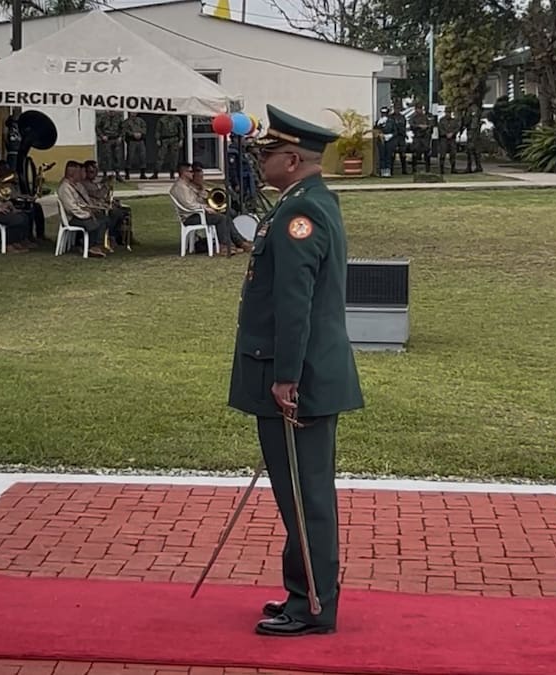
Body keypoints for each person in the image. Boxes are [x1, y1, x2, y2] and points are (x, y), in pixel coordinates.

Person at [227, 104, 365, 637]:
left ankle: (313, 605)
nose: (261, 160)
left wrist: (286, 377)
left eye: (267, 153)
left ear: (292, 159)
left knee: (306, 498)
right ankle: (300, 590)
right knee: (299, 493)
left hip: (296, 377)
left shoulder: (297, 215)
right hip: (302, 372)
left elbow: (294, 302)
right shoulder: (308, 203)